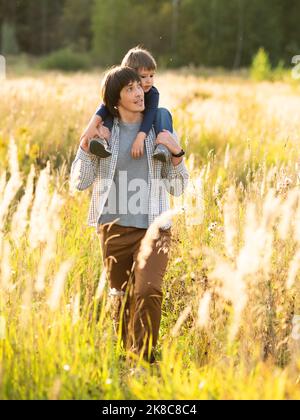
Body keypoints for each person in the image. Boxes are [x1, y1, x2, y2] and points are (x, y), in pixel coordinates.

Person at [70, 65, 189, 363]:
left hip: (155, 227)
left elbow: (178, 187)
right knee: (121, 297)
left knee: (148, 290)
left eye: (140, 86)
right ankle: (127, 356)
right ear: (115, 100)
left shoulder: (158, 131)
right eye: (130, 89)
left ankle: (142, 359)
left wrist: (176, 154)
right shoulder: (104, 134)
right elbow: (79, 182)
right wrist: (85, 147)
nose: (139, 93)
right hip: (113, 228)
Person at [83, 46, 173, 162]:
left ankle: (163, 147)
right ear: (130, 75)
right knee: (110, 113)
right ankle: (102, 143)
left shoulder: (153, 93)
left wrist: (140, 138)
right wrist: (91, 126)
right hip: (123, 117)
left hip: (143, 121)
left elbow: (150, 114)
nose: (149, 81)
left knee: (163, 112)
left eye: (152, 75)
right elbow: (105, 105)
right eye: (144, 76)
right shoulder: (119, 92)